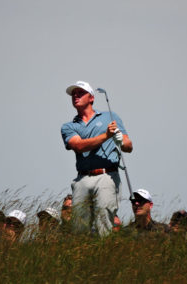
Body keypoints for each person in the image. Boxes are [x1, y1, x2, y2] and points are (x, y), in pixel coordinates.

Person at [61, 80, 133, 237]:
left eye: (80, 93)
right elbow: (79, 146)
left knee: (104, 223)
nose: (75, 96)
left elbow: (128, 146)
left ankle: (104, 257)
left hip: (107, 176)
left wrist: (119, 139)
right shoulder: (68, 127)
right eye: (73, 94)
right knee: (80, 226)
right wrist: (106, 136)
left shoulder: (110, 117)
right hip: (82, 179)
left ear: (91, 98)